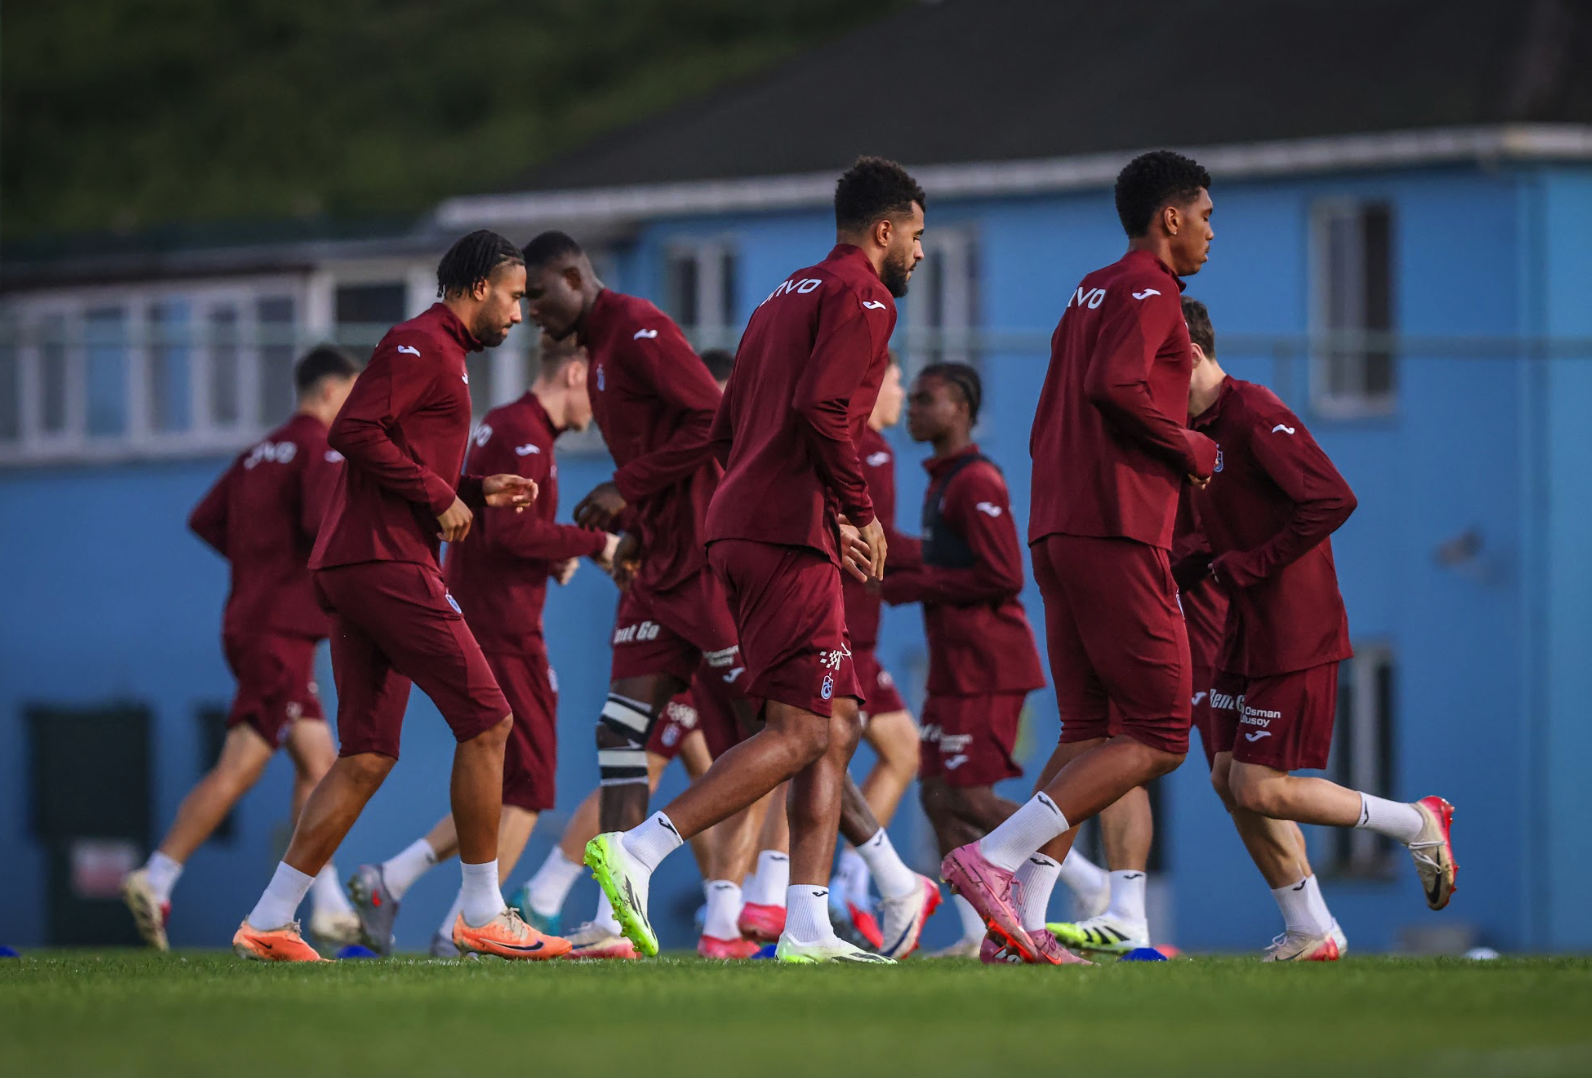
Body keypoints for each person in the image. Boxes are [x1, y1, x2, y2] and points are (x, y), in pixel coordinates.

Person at [584, 156, 940, 964]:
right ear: (884, 231)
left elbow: (722, 428)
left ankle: (808, 922)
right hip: (787, 532)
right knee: (800, 728)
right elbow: (822, 409)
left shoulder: (781, 296)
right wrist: (856, 511)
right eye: (917, 237)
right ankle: (638, 850)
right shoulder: (865, 295)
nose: (920, 253)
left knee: (836, 722)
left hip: (745, 525)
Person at [231, 230, 557, 963]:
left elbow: (398, 453)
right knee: (490, 721)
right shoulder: (420, 343)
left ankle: (269, 920)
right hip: (383, 561)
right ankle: (482, 912)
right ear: (480, 288)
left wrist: (473, 488)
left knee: (368, 754)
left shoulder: (446, 354)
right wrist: (439, 495)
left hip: (359, 563)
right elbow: (353, 428)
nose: (519, 314)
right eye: (514, 297)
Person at [940, 151, 1220, 962]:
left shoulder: (1088, 290)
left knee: (1090, 730)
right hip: (1116, 526)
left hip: (1060, 524)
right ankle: (991, 859)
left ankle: (1016, 923)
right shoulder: (1151, 289)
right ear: (1170, 218)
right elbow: (1113, 385)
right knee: (1162, 732)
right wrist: (1189, 447)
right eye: (1206, 217)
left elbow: (1057, 408)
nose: (1211, 234)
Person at [1182, 296, 1455, 960]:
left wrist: (1250, 565)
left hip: (1294, 628)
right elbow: (1222, 527)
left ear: (1185, 354)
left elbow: (1333, 497)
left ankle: (1415, 821)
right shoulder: (1193, 429)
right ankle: (1310, 928)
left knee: (1259, 786)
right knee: (1226, 779)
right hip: (1244, 629)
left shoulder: (1252, 411)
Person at [346, 333, 616, 956]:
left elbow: (505, 533)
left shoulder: (513, 426)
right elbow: (510, 535)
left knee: (505, 786)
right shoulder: (523, 432)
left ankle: (395, 883)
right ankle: (462, 933)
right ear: (576, 372)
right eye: (599, 387)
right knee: (528, 790)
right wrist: (595, 543)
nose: (600, 406)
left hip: (491, 618)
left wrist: (554, 553)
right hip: (505, 630)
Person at [122, 347, 362, 953]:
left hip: (250, 621)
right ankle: (158, 875)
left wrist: (259, 563)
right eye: (352, 394)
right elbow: (322, 524)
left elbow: (206, 520)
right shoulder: (321, 448)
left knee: (320, 763)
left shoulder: (259, 452)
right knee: (242, 765)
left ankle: (328, 903)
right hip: (282, 631)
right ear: (331, 391)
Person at [880, 363, 1080, 965]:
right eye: (912, 398)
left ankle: (1086, 879)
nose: (913, 408)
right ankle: (979, 934)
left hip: (989, 665)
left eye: (926, 399)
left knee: (967, 795)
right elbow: (941, 555)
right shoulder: (943, 479)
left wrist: (913, 584)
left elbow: (1003, 575)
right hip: (952, 665)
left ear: (962, 411)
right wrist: (881, 545)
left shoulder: (976, 480)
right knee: (936, 797)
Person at [827, 353, 924, 945]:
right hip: (845, 633)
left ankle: (849, 882)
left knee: (900, 749)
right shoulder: (869, 447)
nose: (902, 392)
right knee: (808, 757)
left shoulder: (863, 444)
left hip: (858, 634)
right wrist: (949, 553)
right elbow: (876, 541)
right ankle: (764, 895)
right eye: (898, 379)